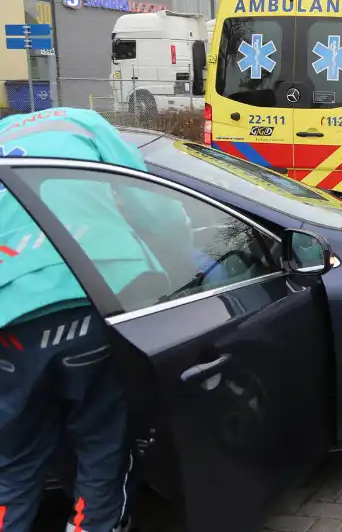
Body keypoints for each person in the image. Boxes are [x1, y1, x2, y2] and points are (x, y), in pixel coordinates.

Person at [0, 107, 198, 532]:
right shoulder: (83, 124)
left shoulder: (4, 141)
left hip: (9, 320)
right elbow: (153, 207)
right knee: (102, 445)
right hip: (92, 295)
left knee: (13, 463)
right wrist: (183, 261)